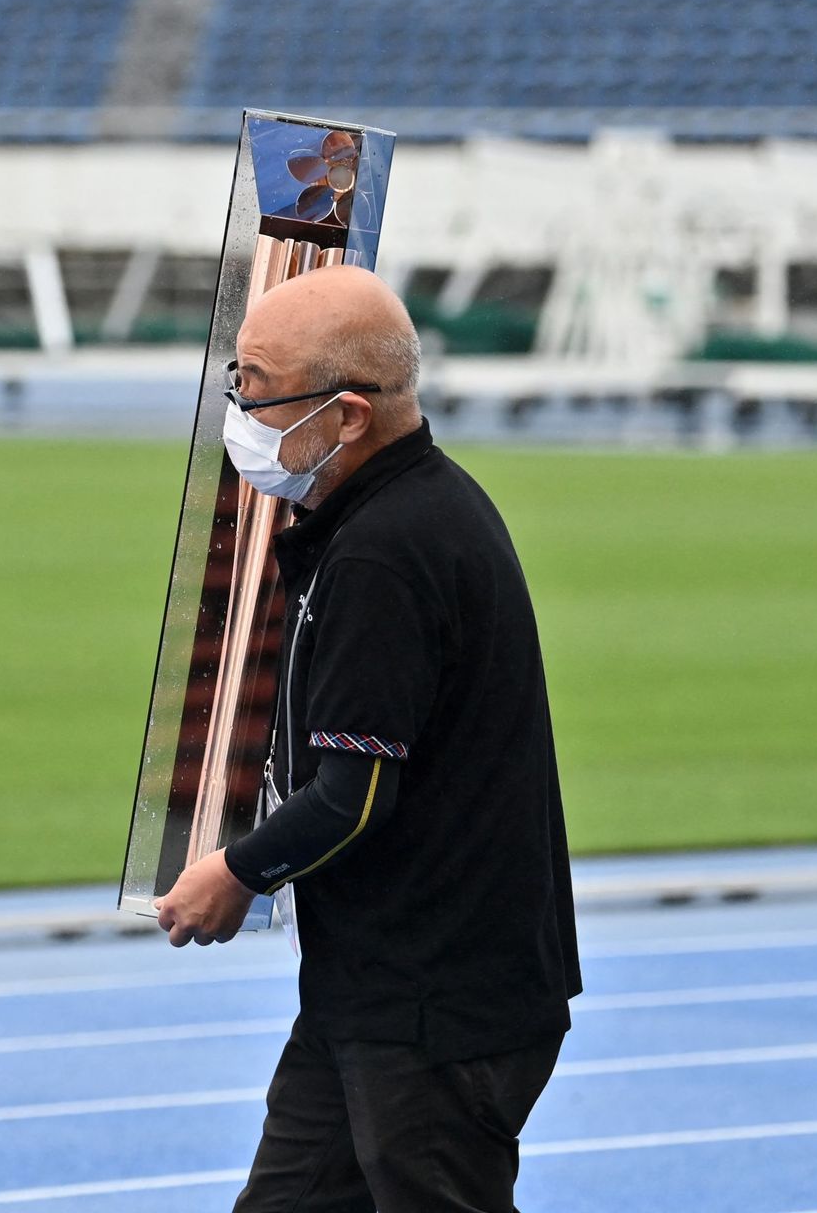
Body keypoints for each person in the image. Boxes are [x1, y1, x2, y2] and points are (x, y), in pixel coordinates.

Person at [153, 264, 582, 1212]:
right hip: (375, 990)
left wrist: (238, 871)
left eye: (258, 393)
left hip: (438, 1006)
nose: (241, 416)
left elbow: (359, 792)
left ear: (347, 416)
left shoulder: (388, 551)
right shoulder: (384, 514)